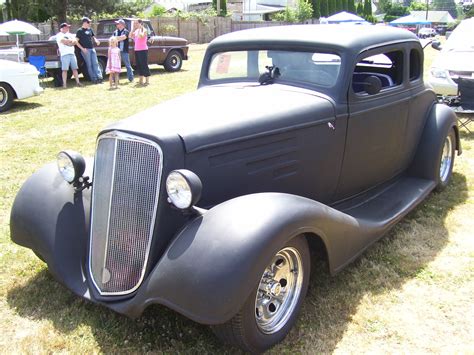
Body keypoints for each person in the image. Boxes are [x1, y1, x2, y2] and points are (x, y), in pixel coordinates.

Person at [75, 17, 103, 84]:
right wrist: (82, 49)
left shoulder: (90, 29)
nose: (89, 23)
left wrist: (96, 40)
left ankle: (99, 78)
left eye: (89, 22)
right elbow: (76, 41)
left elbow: (93, 37)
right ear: (84, 22)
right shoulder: (79, 31)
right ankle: (94, 79)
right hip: (86, 50)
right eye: (88, 22)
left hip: (92, 49)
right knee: (89, 64)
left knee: (95, 63)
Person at [55, 23, 82, 88]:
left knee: (75, 69)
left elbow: (75, 42)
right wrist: (70, 41)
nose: (68, 29)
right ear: (62, 28)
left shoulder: (70, 35)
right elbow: (63, 41)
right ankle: (64, 84)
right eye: (66, 27)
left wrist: (69, 42)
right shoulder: (59, 35)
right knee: (65, 70)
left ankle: (78, 82)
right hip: (64, 54)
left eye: (68, 27)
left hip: (72, 54)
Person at [131, 19, 150, 86]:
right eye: (134, 23)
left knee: (144, 64)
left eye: (136, 23)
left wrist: (139, 29)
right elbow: (130, 36)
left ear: (140, 23)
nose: (135, 24)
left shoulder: (144, 30)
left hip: (143, 50)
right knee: (139, 65)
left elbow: (140, 36)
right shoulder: (135, 30)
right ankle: (141, 80)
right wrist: (133, 29)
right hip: (137, 50)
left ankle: (147, 80)